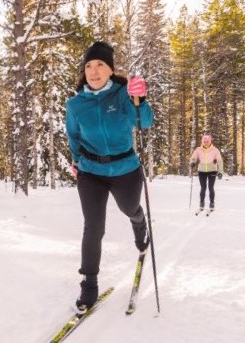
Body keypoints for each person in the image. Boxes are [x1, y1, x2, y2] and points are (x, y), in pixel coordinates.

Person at [64, 41, 154, 311]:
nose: (93, 71)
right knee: (94, 227)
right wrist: (78, 161)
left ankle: (140, 224)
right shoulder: (75, 104)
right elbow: (73, 136)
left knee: (130, 208)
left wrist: (139, 100)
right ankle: (89, 285)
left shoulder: (122, 94)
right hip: (91, 172)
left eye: (100, 65)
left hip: (125, 168)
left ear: (110, 69)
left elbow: (144, 123)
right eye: (89, 66)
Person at [189, 135, 225, 214]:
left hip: (212, 170)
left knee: (211, 188)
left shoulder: (215, 150)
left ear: (210, 142)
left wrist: (220, 172)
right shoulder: (198, 149)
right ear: (202, 142)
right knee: (203, 188)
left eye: (207, 142)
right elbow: (193, 157)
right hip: (201, 171)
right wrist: (193, 162)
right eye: (204, 142)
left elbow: (219, 161)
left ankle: (212, 203)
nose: (206, 143)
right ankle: (201, 204)